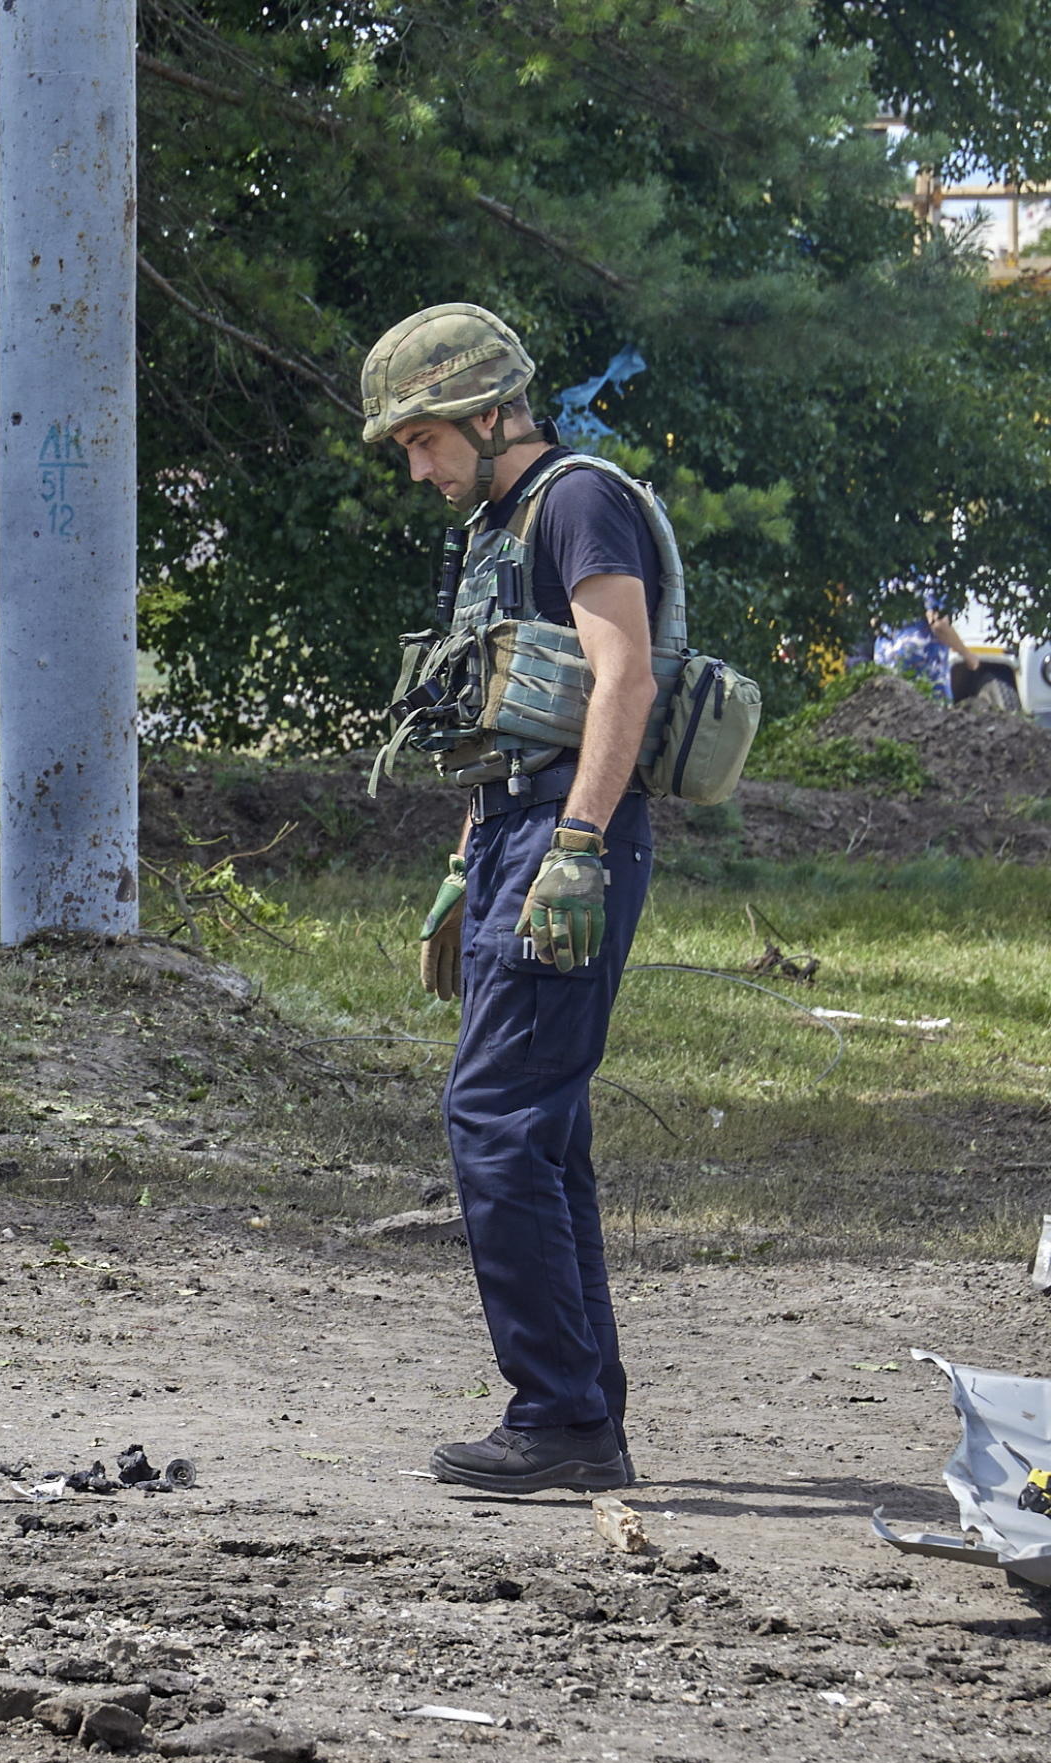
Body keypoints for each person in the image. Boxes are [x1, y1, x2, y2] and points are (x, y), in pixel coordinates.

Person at [364, 302, 665, 1496]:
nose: (416, 462)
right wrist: (465, 859)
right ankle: (585, 1408)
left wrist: (577, 844)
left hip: (570, 833)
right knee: (543, 1133)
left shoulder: (579, 500)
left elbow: (622, 676)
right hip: (515, 832)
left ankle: (558, 1415)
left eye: (425, 437)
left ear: (490, 413)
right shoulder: (498, 521)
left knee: (493, 1120)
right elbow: (503, 719)